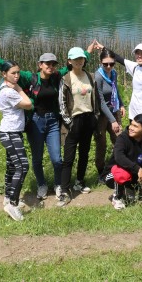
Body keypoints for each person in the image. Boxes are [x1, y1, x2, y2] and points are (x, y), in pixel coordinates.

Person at [0, 40, 98, 202]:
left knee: (57, 159)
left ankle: (58, 184)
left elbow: (76, 63)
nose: (51, 66)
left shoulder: (57, 76)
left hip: (53, 122)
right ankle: (41, 184)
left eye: (53, 63)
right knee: (37, 158)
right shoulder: (31, 78)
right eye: (47, 63)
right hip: (36, 122)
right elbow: (9, 70)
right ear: (40, 65)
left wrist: (88, 52)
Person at [57, 46, 100, 206]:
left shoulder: (90, 76)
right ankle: (64, 190)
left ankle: (79, 182)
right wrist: (69, 122)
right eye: (75, 59)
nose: (79, 61)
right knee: (69, 157)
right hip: (73, 120)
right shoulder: (66, 79)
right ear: (69, 61)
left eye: (81, 58)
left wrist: (95, 117)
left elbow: (96, 98)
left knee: (84, 153)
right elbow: (61, 103)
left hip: (88, 118)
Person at [0, 60, 33, 221]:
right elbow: (28, 104)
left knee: (12, 167)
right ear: (4, 74)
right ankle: (13, 203)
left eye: (18, 72)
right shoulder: (8, 91)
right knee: (22, 166)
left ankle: (7, 198)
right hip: (10, 133)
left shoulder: (6, 88)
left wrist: (16, 86)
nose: (17, 76)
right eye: (13, 73)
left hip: (12, 132)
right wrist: (18, 88)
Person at [104, 114, 142, 210]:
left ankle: (129, 190)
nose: (131, 128)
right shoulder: (122, 138)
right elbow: (119, 157)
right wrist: (138, 169)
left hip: (134, 176)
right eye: (131, 124)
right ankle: (117, 197)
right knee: (122, 174)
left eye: (135, 126)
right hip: (113, 174)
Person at [93, 48, 125, 182]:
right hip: (101, 115)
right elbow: (101, 102)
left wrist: (121, 105)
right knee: (101, 144)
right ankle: (101, 172)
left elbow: (115, 90)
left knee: (119, 141)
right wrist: (112, 120)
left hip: (113, 110)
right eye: (105, 64)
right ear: (100, 62)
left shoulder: (114, 73)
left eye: (111, 64)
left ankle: (118, 167)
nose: (108, 66)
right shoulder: (98, 77)